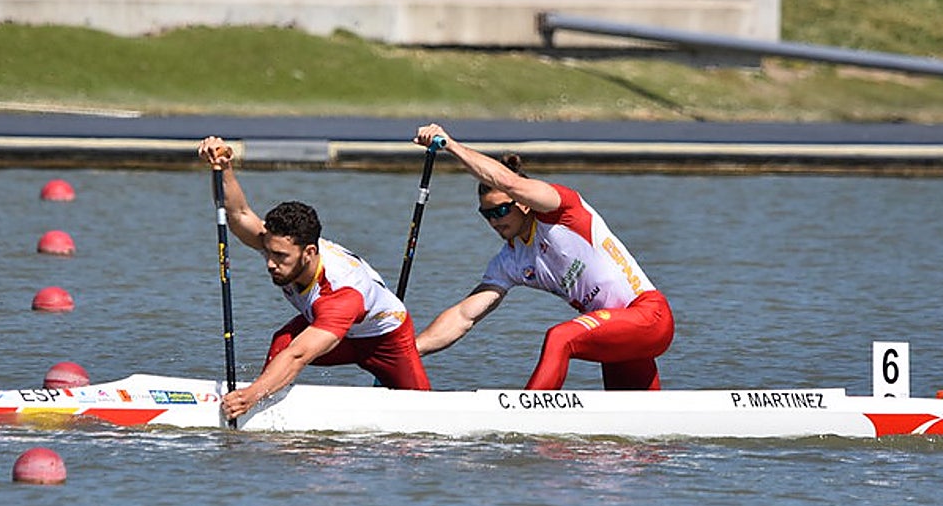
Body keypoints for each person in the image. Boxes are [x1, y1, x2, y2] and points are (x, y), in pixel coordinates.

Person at [412, 123, 674, 391]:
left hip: (648, 315)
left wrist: (451, 145)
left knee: (560, 337)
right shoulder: (509, 262)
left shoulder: (563, 212)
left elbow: (509, 182)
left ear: (523, 202)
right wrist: (409, 352)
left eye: (501, 211)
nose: (494, 221)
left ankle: (527, 420)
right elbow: (463, 316)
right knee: (634, 423)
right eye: (487, 214)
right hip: (615, 333)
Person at [198, 136, 431, 421]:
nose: (270, 263)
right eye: (269, 252)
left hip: (386, 341)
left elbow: (299, 356)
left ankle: (253, 398)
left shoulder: (342, 292)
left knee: (422, 412)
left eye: (280, 257)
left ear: (309, 252)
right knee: (283, 341)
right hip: (335, 331)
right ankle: (264, 407)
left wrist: (251, 394)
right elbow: (239, 213)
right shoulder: (283, 246)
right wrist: (223, 167)